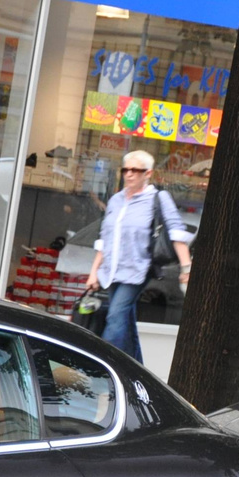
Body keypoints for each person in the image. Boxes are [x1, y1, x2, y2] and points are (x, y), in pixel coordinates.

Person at [84, 149, 193, 362]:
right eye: (126, 170)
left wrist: (186, 267)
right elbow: (105, 239)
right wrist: (93, 272)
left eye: (136, 170)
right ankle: (137, 368)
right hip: (112, 271)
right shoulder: (116, 201)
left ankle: (104, 363)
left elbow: (176, 232)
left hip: (137, 269)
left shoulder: (157, 198)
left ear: (148, 173)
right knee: (126, 319)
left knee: (115, 316)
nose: (129, 174)